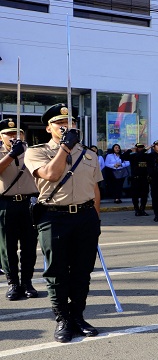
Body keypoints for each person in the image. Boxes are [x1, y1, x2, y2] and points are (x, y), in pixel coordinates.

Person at [24, 104, 102, 343]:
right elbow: (50, 175)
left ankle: (78, 316)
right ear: (49, 128)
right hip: (54, 216)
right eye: (59, 123)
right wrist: (65, 147)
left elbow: (95, 189)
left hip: (85, 217)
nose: (66, 126)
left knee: (82, 271)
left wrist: (96, 220)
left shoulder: (89, 154)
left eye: (71, 122)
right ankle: (63, 320)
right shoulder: (36, 152)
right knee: (57, 272)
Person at [0, 118, 39, 301]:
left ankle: (27, 282)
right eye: (9, 133)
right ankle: (13, 283)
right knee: (8, 247)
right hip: (5, 203)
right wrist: (11, 155)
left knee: (29, 246)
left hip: (28, 203)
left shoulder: (31, 152)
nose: (14, 136)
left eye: (18, 133)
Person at [123, 143, 150, 216]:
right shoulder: (133, 156)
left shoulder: (146, 156)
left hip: (144, 179)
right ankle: (137, 210)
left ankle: (142, 209)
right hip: (135, 179)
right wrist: (130, 150)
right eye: (139, 147)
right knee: (135, 196)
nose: (140, 149)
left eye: (142, 147)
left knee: (144, 195)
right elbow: (123, 157)